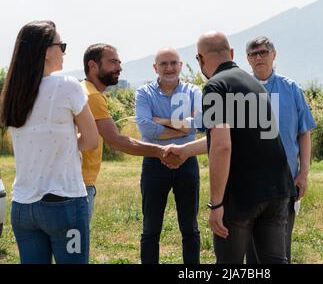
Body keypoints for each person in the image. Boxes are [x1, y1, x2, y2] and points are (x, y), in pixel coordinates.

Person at [165, 31, 297, 264]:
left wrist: (216, 203)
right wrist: (185, 151)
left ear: (200, 59)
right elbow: (241, 137)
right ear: (232, 54)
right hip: (277, 189)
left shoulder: (215, 87)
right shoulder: (254, 85)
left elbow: (222, 146)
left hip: (242, 195)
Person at [0, 21, 98, 264]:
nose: (64, 52)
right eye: (61, 45)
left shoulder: (13, 93)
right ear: (46, 51)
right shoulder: (67, 86)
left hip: (23, 207)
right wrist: (68, 143)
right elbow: (92, 140)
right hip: (64, 204)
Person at [81, 44, 182, 222]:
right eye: (112, 62)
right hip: (79, 185)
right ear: (92, 65)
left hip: (77, 182)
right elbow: (116, 141)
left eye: (119, 63)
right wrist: (160, 151)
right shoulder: (92, 96)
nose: (119, 68)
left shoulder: (84, 91)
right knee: (76, 248)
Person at [245, 36, 316, 264]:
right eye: (253, 54)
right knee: (252, 251)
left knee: (281, 248)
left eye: (264, 52)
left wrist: (303, 173)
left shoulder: (291, 89)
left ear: (274, 55)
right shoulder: (240, 89)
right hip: (250, 182)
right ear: (247, 59)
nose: (259, 57)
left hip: (285, 181)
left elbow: (304, 132)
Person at [135, 48, 203, 264]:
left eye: (173, 63)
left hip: (187, 161)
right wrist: (184, 128)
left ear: (181, 65)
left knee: (190, 227)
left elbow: (200, 124)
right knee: (151, 227)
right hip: (154, 162)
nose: (169, 68)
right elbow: (146, 129)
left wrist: (162, 121)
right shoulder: (144, 93)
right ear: (155, 67)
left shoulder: (194, 92)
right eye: (163, 64)